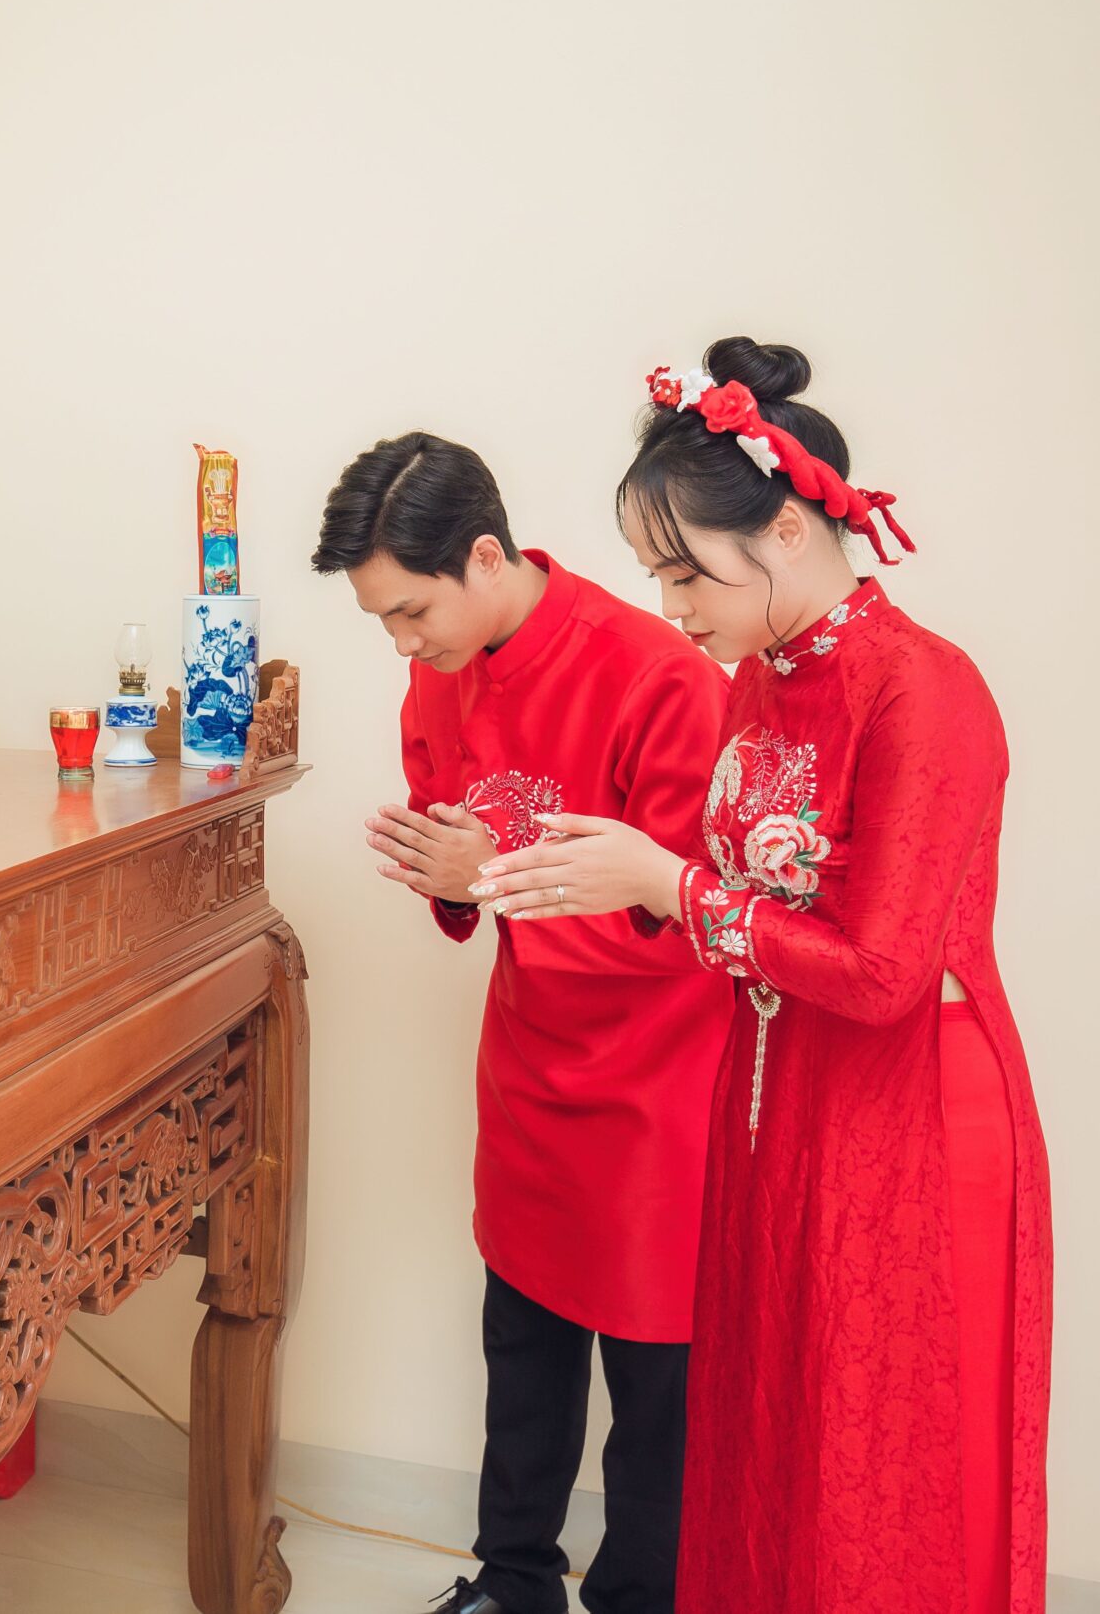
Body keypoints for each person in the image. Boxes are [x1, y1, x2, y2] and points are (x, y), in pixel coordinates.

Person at [473, 339, 1052, 1614]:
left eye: (686, 571)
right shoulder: (759, 686)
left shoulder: (923, 690)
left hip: (905, 1112)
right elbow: (737, 901)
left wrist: (669, 887)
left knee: (869, 1453)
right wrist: (611, 877)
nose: (670, 604)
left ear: (786, 530)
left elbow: (885, 971)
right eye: (653, 573)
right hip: (769, 1099)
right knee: (759, 1432)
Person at [312, 434, 735, 1614]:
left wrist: (486, 874)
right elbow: (462, 867)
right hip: (531, 1062)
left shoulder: (658, 676)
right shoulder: (437, 675)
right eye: (381, 623)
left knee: (655, 1381)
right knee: (524, 1343)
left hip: (659, 1077)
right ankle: (512, 1583)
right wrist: (449, 877)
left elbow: (688, 916)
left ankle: (639, 1597)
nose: (402, 646)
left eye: (411, 611)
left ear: (487, 556)